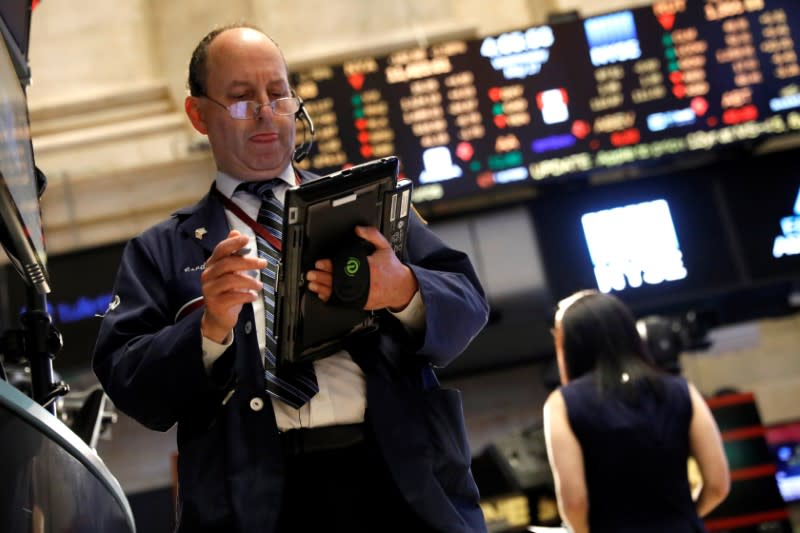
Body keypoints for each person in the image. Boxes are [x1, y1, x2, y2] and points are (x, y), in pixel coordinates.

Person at [92, 23, 490, 533]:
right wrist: (209, 328)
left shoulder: (369, 202)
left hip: (397, 482)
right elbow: (130, 384)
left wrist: (403, 288)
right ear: (198, 115)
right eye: (240, 98)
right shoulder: (162, 250)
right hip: (255, 501)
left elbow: (468, 302)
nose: (265, 112)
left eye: (278, 94)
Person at [542, 290, 730, 533]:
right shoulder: (681, 390)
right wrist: (684, 518)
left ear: (569, 346)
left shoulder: (561, 404)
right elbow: (718, 485)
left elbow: (574, 503)